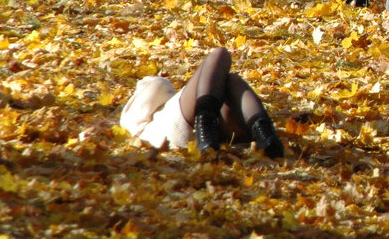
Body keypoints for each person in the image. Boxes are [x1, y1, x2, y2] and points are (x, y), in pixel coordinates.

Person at [119, 47, 284, 157]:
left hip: (211, 133)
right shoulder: (147, 97)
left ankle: (264, 137)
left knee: (228, 79)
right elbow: (158, 85)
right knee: (220, 55)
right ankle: (266, 132)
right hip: (175, 130)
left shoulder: (147, 116)